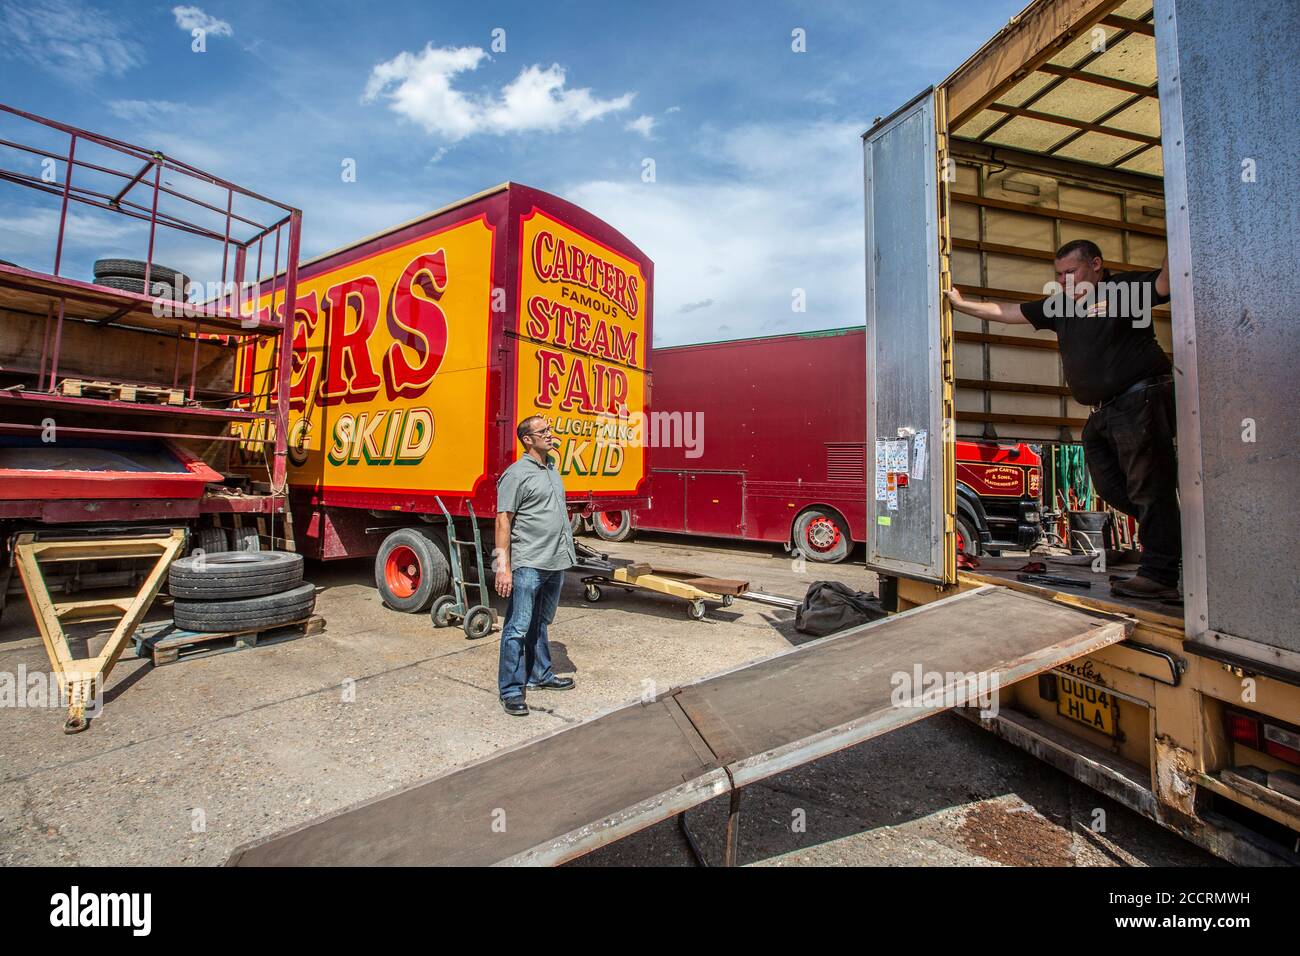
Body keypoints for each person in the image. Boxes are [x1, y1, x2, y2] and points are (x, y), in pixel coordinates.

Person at [947, 239, 1180, 600]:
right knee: (1111, 487)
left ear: (1097, 265)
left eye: (1071, 271)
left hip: (1142, 397)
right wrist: (961, 304)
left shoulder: (1123, 290)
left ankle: (1160, 574)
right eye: (1058, 274)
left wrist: (1176, 228)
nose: (1064, 279)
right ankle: (1175, 530)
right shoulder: (1060, 306)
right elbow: (1007, 311)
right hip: (1103, 412)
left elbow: (1166, 283)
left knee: (1150, 488)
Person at [494, 415, 578, 716]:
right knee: (517, 626)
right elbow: (503, 520)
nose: (550, 434)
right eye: (543, 431)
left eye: (550, 429)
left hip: (554, 561)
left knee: (540, 622)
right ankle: (512, 690)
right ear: (527, 439)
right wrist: (503, 567)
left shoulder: (552, 468)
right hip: (529, 562)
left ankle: (540, 674)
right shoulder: (516, 474)